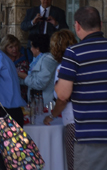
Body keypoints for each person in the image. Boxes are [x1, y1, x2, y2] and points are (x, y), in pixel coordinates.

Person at [56, 6, 107, 170]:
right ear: (101, 24)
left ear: (77, 25)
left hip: (91, 137)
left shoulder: (74, 53)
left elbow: (63, 94)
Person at [43, 29, 77, 170]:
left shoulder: (62, 68)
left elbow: (63, 98)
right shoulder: (79, 63)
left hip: (73, 122)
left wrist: (52, 115)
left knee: (73, 164)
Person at [17, 33, 57, 106]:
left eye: (32, 46)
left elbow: (40, 84)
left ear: (38, 48)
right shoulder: (38, 59)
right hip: (37, 102)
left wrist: (25, 77)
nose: (31, 49)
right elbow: (33, 78)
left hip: (46, 103)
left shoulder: (47, 60)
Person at [0, 35, 30, 102]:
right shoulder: (1, 60)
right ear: (5, 48)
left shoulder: (24, 58)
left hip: (22, 94)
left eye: (16, 46)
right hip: (6, 95)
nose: (15, 49)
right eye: (11, 47)